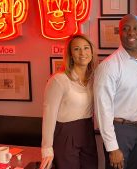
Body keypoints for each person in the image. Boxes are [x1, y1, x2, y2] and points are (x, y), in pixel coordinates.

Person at [93, 14, 137, 169]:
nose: (131, 33)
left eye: (136, 28)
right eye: (125, 29)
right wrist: (112, 147)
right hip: (119, 130)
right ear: (119, 32)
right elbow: (103, 109)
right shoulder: (109, 66)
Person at [40, 35, 98, 169]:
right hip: (65, 134)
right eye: (77, 49)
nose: (82, 53)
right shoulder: (59, 80)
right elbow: (49, 115)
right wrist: (47, 149)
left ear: (91, 51)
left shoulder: (94, 78)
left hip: (87, 132)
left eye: (86, 48)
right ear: (70, 54)